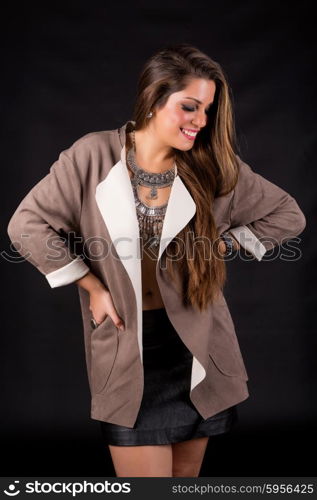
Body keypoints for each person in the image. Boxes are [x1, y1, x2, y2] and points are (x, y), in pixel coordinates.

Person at [7, 43, 306, 477]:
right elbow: (26, 225)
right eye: (189, 107)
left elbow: (288, 215)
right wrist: (91, 287)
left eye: (207, 109)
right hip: (129, 347)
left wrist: (224, 244)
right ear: (153, 99)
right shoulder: (92, 156)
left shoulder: (214, 166)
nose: (201, 122)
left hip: (197, 348)